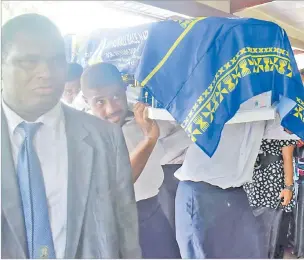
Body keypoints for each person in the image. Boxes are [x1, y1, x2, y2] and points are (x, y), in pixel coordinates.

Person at [1, 14, 141, 259]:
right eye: (29, 62)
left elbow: (125, 229)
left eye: (56, 60)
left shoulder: (104, 137)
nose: (46, 72)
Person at [81, 62, 181, 258]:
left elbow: (181, 134)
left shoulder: (144, 117)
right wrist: (149, 139)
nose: (111, 109)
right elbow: (118, 183)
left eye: (116, 96)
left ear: (125, 90)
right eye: (99, 102)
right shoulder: (82, 135)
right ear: (86, 101)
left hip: (152, 212)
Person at [175, 111, 299, 259]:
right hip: (202, 192)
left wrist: (292, 118)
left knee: (253, 251)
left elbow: (280, 129)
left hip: (236, 193)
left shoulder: (261, 102)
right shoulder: (215, 97)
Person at [244, 131, 297, 258]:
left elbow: (287, 157)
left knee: (273, 232)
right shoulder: (255, 120)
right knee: (257, 234)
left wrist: (288, 187)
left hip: (271, 184)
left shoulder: (279, 124)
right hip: (256, 183)